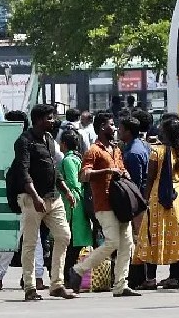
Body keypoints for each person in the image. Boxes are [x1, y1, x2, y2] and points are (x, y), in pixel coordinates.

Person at [67, 112, 139, 297]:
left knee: (127, 245)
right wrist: (107, 170)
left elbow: (122, 169)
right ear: (102, 128)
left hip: (120, 204)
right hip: (104, 204)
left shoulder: (115, 149)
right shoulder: (93, 150)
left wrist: (125, 175)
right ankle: (79, 269)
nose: (115, 128)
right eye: (111, 124)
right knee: (113, 242)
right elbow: (83, 175)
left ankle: (120, 285)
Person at [13, 104, 77, 301]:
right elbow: (22, 172)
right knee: (31, 243)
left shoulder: (49, 139)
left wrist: (66, 190)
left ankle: (57, 284)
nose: (53, 121)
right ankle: (30, 287)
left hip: (53, 197)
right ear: (39, 120)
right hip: (32, 199)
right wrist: (35, 197)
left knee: (64, 235)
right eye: (50, 118)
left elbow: (53, 168)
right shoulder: (24, 141)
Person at [0, 110, 48, 291]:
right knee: (34, 239)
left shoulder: (21, 143)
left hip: (22, 198)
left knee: (12, 238)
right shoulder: (32, 141)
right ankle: (36, 277)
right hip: (31, 197)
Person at [135, 116, 179, 290]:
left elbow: (150, 179)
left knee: (151, 237)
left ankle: (150, 279)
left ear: (164, 132)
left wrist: (144, 200)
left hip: (160, 199)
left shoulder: (157, 152)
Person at [59, 130, 94, 282]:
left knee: (71, 243)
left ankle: (68, 276)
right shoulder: (77, 158)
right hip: (79, 203)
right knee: (76, 242)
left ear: (64, 145)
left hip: (73, 205)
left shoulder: (67, 160)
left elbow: (73, 182)